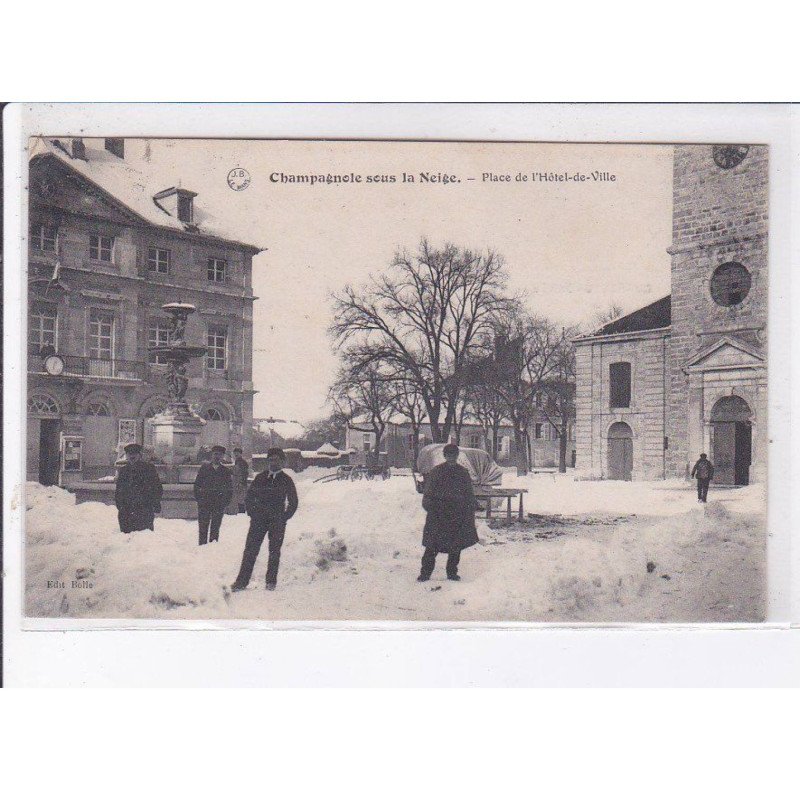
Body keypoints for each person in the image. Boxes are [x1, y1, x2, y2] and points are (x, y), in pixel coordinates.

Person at [231, 447, 298, 592]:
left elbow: (293, 502)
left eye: (277, 460)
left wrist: (283, 517)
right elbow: (249, 497)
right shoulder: (260, 478)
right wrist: (253, 513)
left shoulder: (286, 480)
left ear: (282, 462)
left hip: (277, 521)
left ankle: (271, 582)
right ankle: (241, 582)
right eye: (271, 460)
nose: (273, 463)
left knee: (274, 551)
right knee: (250, 550)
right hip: (258, 521)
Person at [418, 443, 478, 582]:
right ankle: (425, 573)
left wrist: (470, 508)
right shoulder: (436, 472)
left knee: (455, 546)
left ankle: (452, 572)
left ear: (457, 456)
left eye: (454, 455)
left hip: (456, 515)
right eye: (449, 455)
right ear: (445, 456)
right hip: (438, 515)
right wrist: (431, 507)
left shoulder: (463, 473)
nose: (451, 458)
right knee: (432, 546)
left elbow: (468, 493)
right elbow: (428, 493)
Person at [114, 443, 163, 533]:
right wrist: (120, 507)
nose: (132, 456)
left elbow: (157, 488)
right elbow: (119, 491)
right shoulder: (123, 471)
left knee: (143, 538)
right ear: (126, 456)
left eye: (134, 454)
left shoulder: (149, 469)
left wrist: (152, 504)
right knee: (127, 539)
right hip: (126, 513)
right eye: (129, 454)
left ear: (139, 455)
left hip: (144, 512)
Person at [193, 445, 234, 545]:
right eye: (215, 454)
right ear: (212, 455)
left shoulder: (225, 471)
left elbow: (229, 488)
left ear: (222, 456)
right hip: (205, 502)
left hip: (218, 503)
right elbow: (197, 485)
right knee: (203, 527)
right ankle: (202, 547)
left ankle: (213, 548)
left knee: (215, 527)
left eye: (220, 454)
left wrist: (225, 502)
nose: (217, 456)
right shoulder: (204, 469)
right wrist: (199, 499)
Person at [225, 447, 249, 515]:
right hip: (238, 482)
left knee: (240, 498)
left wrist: (241, 482)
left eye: (237, 453)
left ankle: (242, 513)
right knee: (239, 498)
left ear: (241, 454)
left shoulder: (242, 462)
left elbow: (244, 473)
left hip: (241, 482)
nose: (236, 454)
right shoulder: (238, 461)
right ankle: (241, 512)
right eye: (235, 453)